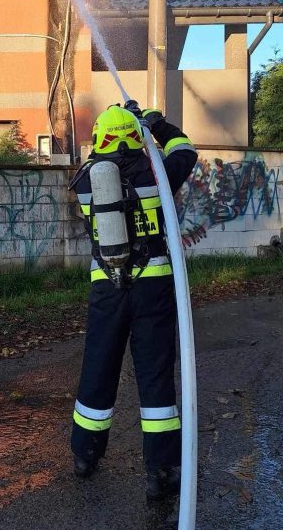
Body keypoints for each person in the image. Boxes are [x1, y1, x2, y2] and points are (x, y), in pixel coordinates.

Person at [68, 102, 197, 499]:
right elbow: (185, 150)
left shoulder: (86, 180)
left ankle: (85, 455)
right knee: (155, 374)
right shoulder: (157, 173)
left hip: (107, 288)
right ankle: (161, 470)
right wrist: (155, 123)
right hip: (152, 287)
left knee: (98, 367)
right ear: (135, 138)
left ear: (100, 140)